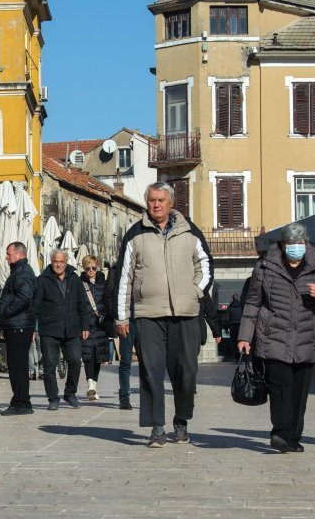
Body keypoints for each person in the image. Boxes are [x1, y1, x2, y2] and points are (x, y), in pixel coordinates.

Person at [116, 182, 213, 447]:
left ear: (171, 203)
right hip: (148, 315)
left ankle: (181, 421)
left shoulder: (190, 231)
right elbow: (124, 278)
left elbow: (205, 265)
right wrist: (122, 316)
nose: (156, 205)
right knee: (150, 372)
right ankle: (157, 427)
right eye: (151, 201)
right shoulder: (135, 235)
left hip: (185, 313)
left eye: (161, 200)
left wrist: (195, 291)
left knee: (186, 372)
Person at [237, 223, 315, 453]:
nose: (296, 248)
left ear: (306, 243)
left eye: (300, 243)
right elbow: (253, 302)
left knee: (299, 393)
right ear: (282, 245)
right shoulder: (264, 267)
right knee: (280, 388)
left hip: (305, 339)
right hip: (273, 335)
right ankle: (280, 433)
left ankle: (293, 437)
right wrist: (245, 336)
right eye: (291, 244)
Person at [33, 249, 91, 410]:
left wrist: (85, 325)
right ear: (51, 262)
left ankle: (70, 393)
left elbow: (83, 304)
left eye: (61, 262)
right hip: (49, 329)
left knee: (75, 360)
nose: (58, 264)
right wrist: (33, 327)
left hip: (72, 329)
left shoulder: (74, 279)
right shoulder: (42, 280)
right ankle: (53, 398)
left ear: (66, 262)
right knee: (50, 365)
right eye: (55, 261)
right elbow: (35, 306)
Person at [0, 242, 36, 416]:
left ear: (19, 254)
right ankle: (20, 400)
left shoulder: (22, 272)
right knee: (15, 365)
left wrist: (7, 311)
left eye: (9, 254)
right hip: (17, 324)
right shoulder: (19, 271)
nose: (6, 257)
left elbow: (25, 296)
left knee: (18, 366)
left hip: (19, 325)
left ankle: (22, 402)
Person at [103, 261, 135, 410]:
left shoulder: (146, 263)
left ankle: (150, 398)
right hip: (125, 319)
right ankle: (124, 398)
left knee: (150, 362)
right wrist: (117, 317)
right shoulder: (116, 268)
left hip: (145, 318)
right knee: (126, 361)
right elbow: (108, 294)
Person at [79, 254, 108, 401]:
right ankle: (90, 383)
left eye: (93, 268)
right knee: (88, 355)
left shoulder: (104, 282)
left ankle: (94, 386)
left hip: (100, 325)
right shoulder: (80, 283)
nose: (91, 270)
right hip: (86, 325)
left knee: (98, 357)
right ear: (84, 269)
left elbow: (108, 301)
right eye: (88, 268)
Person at [226, 293, 243, 359]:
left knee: (233, 342)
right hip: (241, 326)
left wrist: (226, 327)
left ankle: (236, 357)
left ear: (232, 298)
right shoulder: (242, 306)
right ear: (238, 298)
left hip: (232, 326)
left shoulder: (229, 307)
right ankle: (242, 356)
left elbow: (227, 319)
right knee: (241, 340)